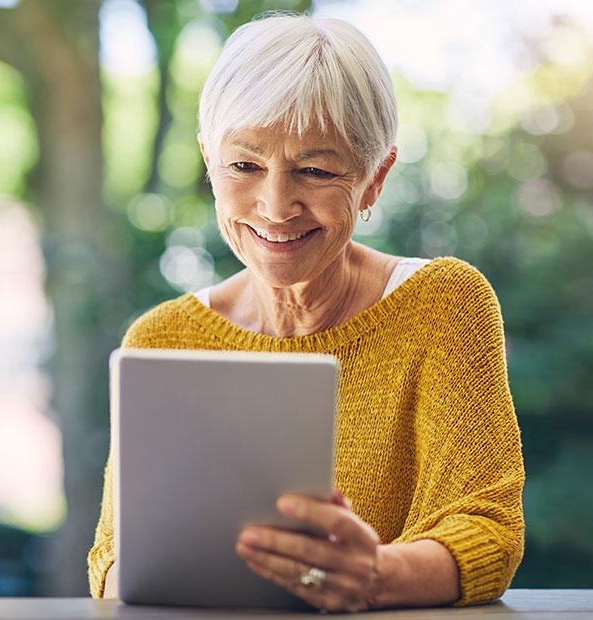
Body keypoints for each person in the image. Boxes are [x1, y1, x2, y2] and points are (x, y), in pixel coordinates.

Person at [87, 12, 525, 613]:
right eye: (244, 166)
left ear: (374, 180)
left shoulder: (444, 305)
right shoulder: (161, 337)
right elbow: (113, 565)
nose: (275, 205)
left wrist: (376, 575)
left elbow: (489, 530)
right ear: (209, 164)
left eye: (315, 171)